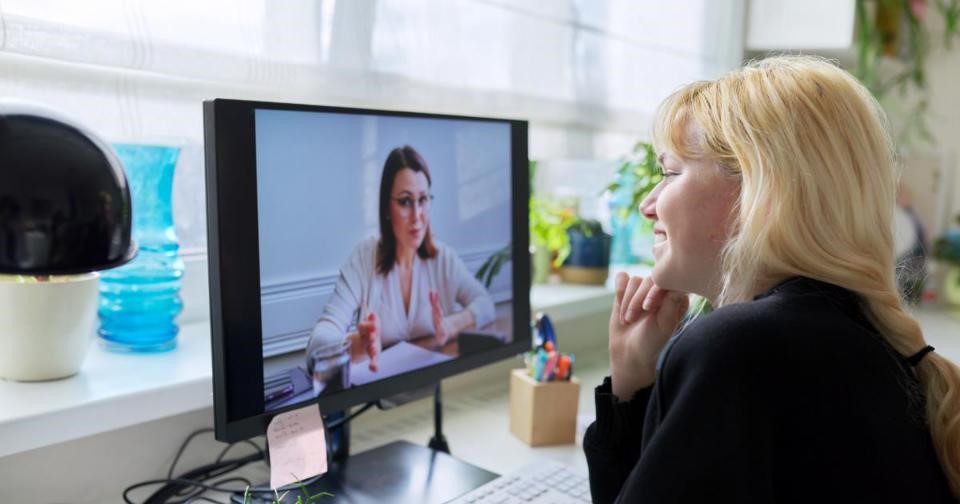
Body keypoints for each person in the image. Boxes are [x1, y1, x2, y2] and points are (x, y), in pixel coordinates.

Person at [584, 56, 960, 503]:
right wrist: (632, 379)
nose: (649, 204)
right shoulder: (861, 336)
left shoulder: (739, 347)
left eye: (669, 172)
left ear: (757, 187)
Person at [306, 145, 494, 375]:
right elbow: (317, 343)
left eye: (423, 199)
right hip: (379, 393)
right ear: (387, 207)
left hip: (430, 383)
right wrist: (358, 344)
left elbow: (485, 304)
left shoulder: (443, 258)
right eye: (405, 201)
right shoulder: (365, 258)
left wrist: (450, 325)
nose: (417, 216)